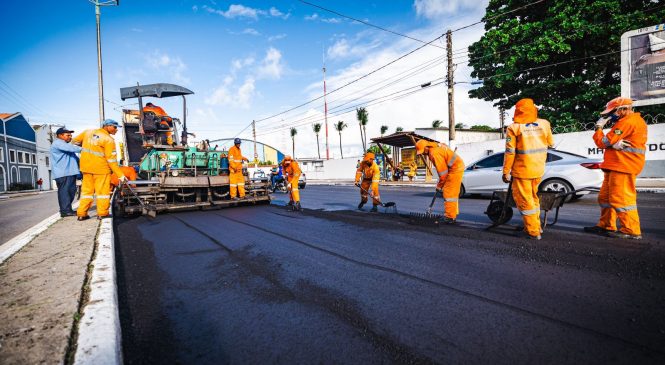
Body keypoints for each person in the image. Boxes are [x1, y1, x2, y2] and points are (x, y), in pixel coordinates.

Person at [585, 97, 647, 239]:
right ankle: (606, 225)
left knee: (622, 199)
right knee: (605, 198)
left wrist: (599, 128)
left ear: (622, 109)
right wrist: (612, 145)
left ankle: (631, 230)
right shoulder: (627, 121)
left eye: (612, 112)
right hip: (616, 165)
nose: (610, 115)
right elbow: (611, 143)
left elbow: (603, 142)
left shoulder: (627, 122)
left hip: (624, 166)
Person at [502, 98, 554, 239]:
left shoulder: (514, 128)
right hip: (538, 169)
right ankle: (535, 226)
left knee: (525, 201)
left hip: (522, 170)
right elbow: (551, 143)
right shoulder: (545, 124)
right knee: (533, 198)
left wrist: (506, 171)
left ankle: (533, 231)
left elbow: (510, 152)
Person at [72, 119, 126, 220]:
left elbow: (74, 141)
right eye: (115, 127)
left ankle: (81, 214)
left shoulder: (87, 132)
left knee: (86, 193)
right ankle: (102, 213)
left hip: (86, 168)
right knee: (102, 193)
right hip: (101, 170)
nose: (116, 130)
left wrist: (87, 145)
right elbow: (112, 160)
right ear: (107, 126)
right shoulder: (108, 140)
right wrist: (120, 175)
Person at [416, 139, 465, 224]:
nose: (423, 154)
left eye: (423, 151)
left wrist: (439, 186)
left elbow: (443, 174)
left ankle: (450, 217)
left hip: (455, 169)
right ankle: (452, 214)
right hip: (455, 167)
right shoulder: (435, 145)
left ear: (426, 147)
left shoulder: (434, 153)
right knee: (452, 193)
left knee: (449, 193)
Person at [50, 127, 82, 217]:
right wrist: (87, 148)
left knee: (71, 191)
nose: (70, 137)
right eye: (68, 135)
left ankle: (68, 210)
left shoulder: (66, 146)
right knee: (65, 192)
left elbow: (76, 159)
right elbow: (74, 149)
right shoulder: (58, 143)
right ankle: (65, 211)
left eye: (71, 135)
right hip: (63, 173)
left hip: (70, 173)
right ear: (60, 135)